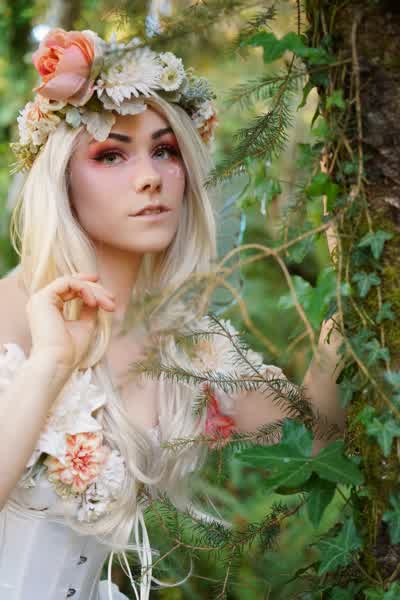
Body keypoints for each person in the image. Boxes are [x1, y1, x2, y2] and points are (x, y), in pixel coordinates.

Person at [0, 27, 345, 600]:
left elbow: (315, 445)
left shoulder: (190, 348)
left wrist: (348, 303)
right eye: (111, 154)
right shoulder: (4, 315)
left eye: (165, 151)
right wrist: (49, 365)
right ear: (60, 178)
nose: (150, 177)